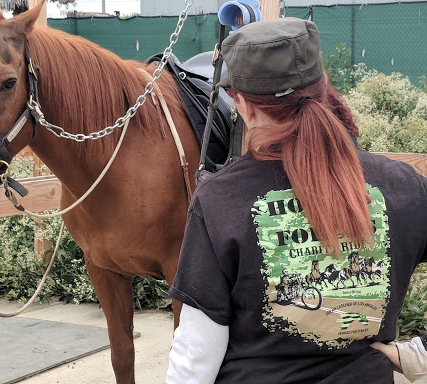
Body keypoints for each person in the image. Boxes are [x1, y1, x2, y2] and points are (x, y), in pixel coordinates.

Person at [166, 17, 427, 383]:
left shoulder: (219, 200)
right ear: (324, 86)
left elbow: (196, 354)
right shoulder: (405, 186)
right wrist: (419, 356)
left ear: (243, 104)